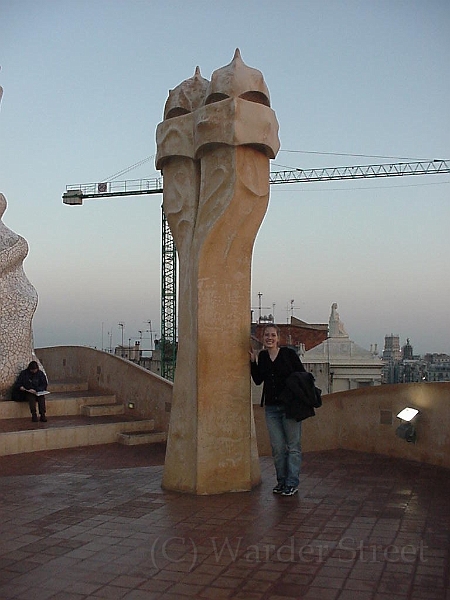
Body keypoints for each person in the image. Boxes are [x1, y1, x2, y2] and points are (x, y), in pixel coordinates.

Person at [250, 324, 305, 496]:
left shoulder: (289, 354)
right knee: (278, 447)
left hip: (290, 407)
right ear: (263, 337)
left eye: (273, 335)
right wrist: (253, 362)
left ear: (278, 338)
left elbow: (302, 375)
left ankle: (292, 483)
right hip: (272, 408)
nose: (269, 338)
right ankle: (281, 481)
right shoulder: (264, 357)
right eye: (267, 335)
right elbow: (258, 380)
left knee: (293, 446)